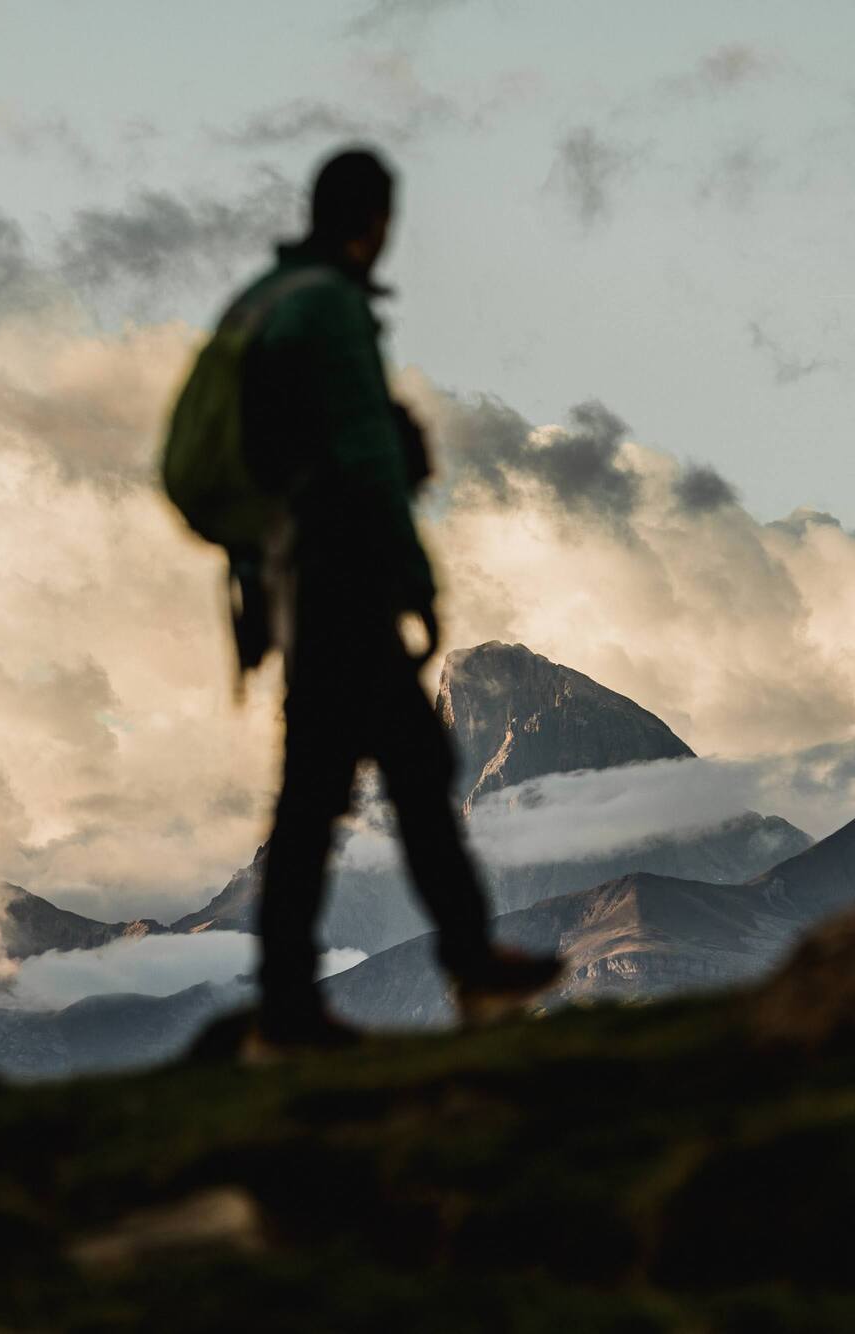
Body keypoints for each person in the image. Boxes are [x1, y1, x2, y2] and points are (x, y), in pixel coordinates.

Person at [235, 147, 562, 1055]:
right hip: (343, 584)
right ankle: (465, 966)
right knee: (398, 771)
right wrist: (414, 578)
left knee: (328, 789)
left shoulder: (266, 304)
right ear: (374, 220)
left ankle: (298, 1002)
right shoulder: (331, 311)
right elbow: (367, 458)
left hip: (290, 581)